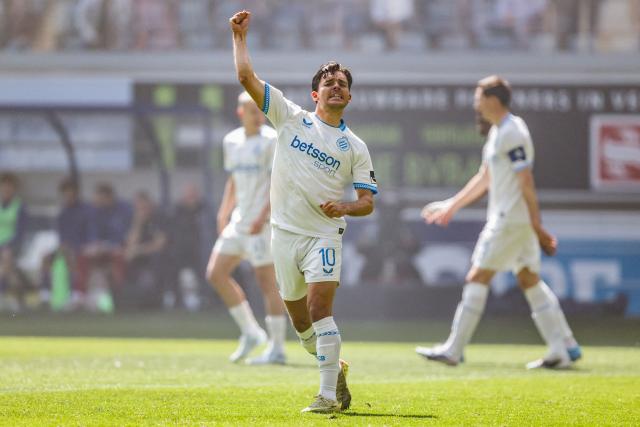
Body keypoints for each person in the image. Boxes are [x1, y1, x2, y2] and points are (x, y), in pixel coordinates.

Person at [229, 10, 378, 413]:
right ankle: (337, 369)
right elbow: (246, 78)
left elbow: (367, 202)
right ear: (315, 95)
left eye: (341, 85)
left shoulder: (356, 147)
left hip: (324, 235)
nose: (335, 88)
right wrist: (239, 38)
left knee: (318, 309)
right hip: (284, 236)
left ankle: (327, 397)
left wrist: (344, 207)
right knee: (300, 324)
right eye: (328, 83)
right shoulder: (289, 118)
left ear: (348, 97)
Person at [416, 76, 582, 369]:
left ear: (493, 99)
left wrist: (537, 225)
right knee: (528, 279)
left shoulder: (512, 132)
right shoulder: (499, 132)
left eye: (478, 97)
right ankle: (562, 346)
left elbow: (526, 180)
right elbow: (485, 177)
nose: (475, 103)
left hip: (508, 220)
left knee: (477, 277)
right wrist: (450, 206)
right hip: (516, 221)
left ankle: (454, 349)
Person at [206, 92, 287, 365]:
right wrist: (223, 211)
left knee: (267, 283)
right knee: (215, 274)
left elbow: (277, 184)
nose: (257, 114)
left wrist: (262, 216)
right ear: (240, 112)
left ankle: (277, 348)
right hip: (238, 223)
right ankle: (251, 332)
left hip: (260, 225)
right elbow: (233, 180)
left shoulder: (271, 140)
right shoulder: (231, 141)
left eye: (259, 110)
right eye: (251, 110)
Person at [123, 191, 167, 309]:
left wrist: (138, 250)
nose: (142, 209)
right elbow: (130, 243)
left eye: (144, 206)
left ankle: (155, 300)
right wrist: (138, 223)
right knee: (125, 259)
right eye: (138, 207)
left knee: (156, 259)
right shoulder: (135, 220)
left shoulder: (158, 218)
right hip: (139, 258)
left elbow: (160, 244)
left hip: (156, 257)